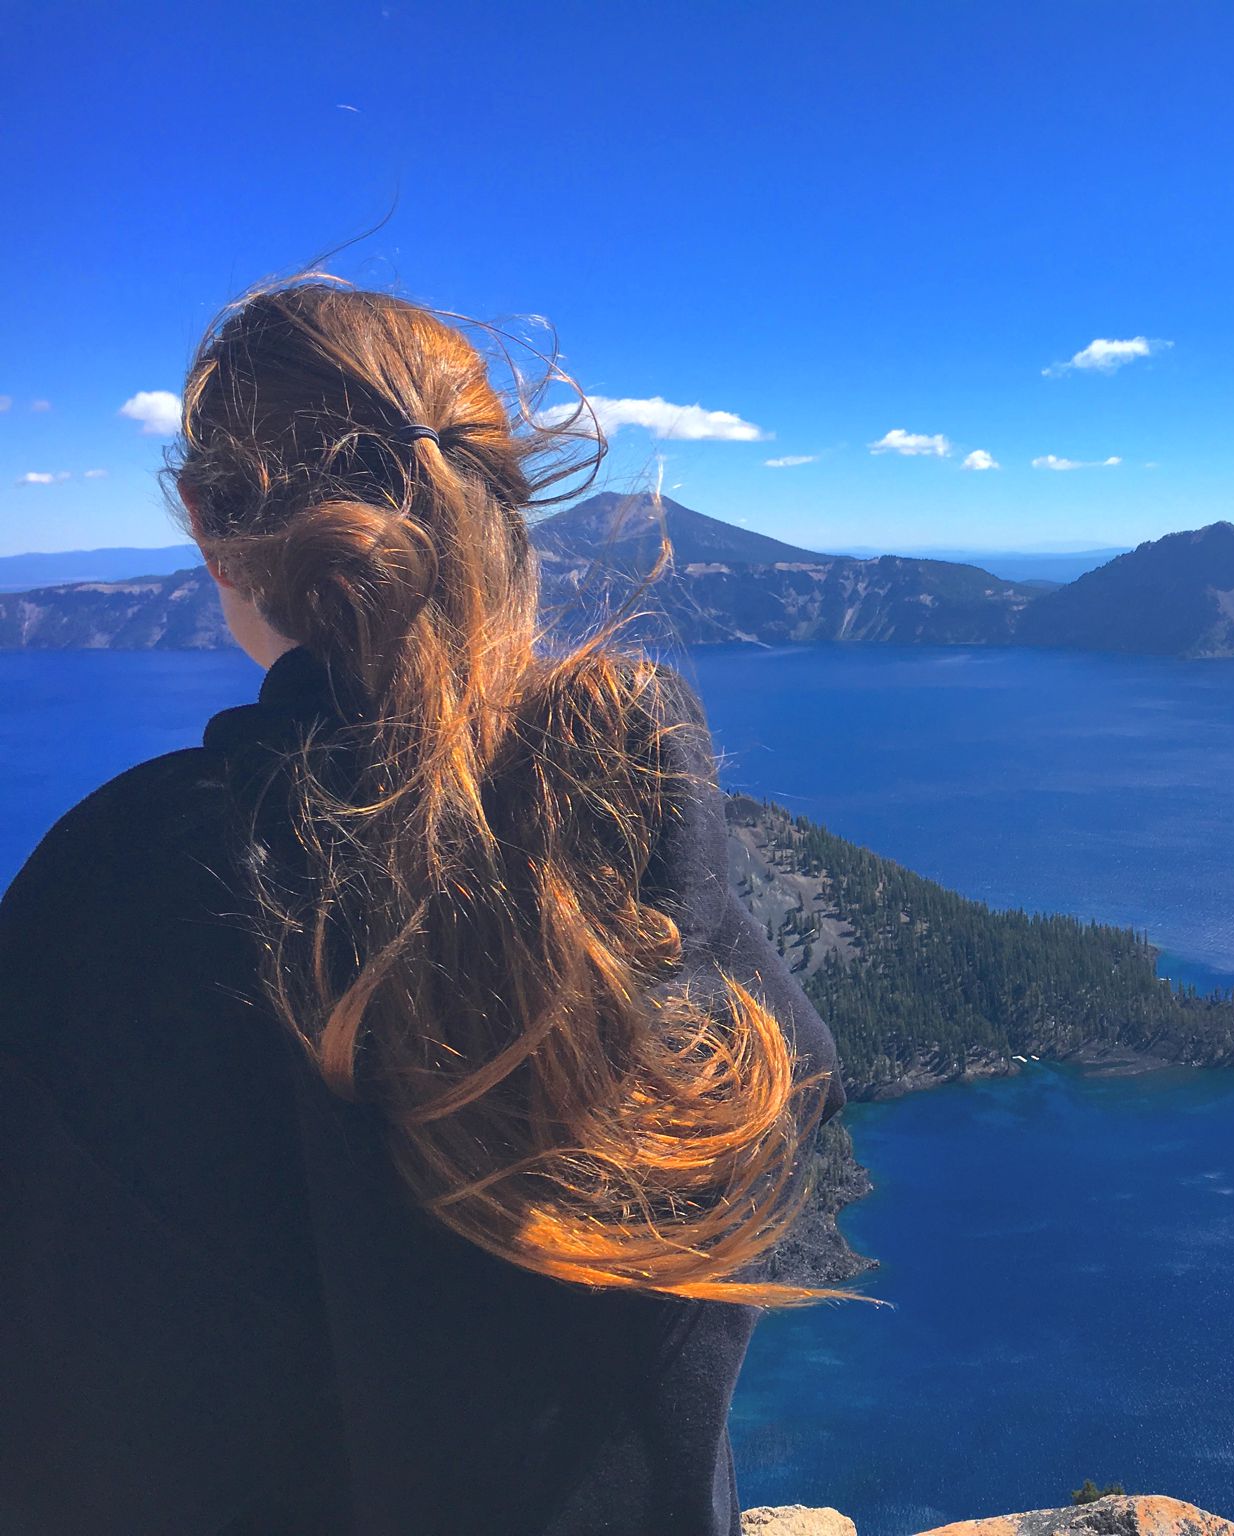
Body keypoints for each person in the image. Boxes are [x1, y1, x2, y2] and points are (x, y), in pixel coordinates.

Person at [0, 280, 845, 1535]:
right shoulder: (627, 817)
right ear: (496, 506)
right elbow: (794, 1098)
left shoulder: (133, 872)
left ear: (207, 521)